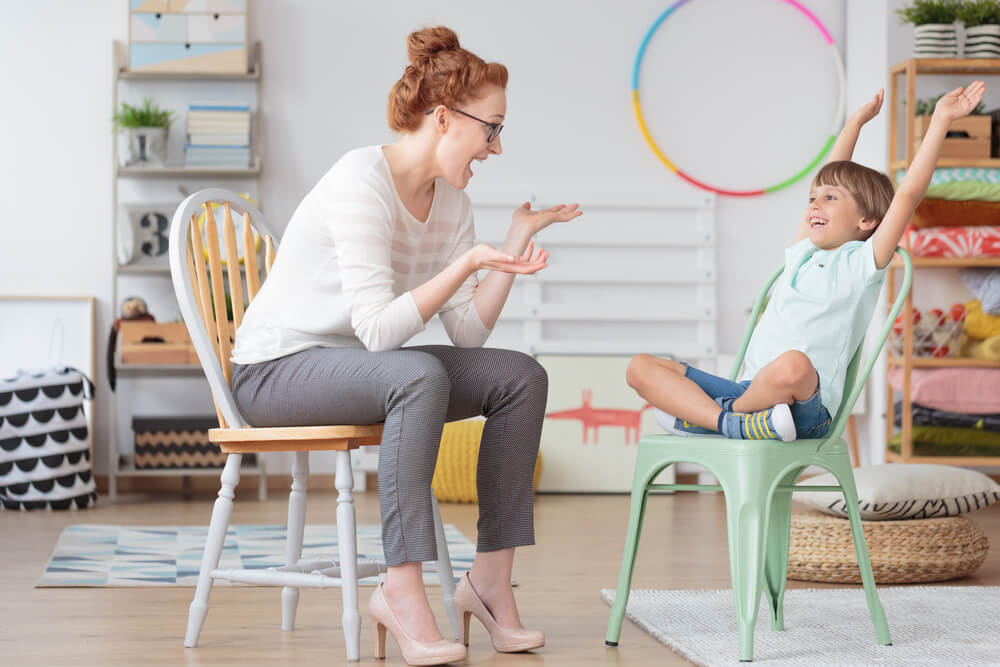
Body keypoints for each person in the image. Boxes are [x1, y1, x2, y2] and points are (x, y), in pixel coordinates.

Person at [229, 26, 581, 666]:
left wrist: (506, 246)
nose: (496, 147)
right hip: (276, 370)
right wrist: (466, 262)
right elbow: (378, 332)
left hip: (362, 368)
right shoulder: (360, 180)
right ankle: (401, 587)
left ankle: (489, 584)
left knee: (520, 375)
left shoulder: (453, 205)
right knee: (415, 373)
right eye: (491, 129)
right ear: (445, 119)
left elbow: (468, 333)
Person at [627, 81, 986, 443]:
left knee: (792, 363)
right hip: (748, 392)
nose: (814, 203)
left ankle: (713, 419)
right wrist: (854, 124)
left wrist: (941, 119)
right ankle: (731, 423)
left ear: (867, 221)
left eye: (830, 198)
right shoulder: (803, 252)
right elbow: (828, 174)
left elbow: (908, 195)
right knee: (640, 367)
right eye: (813, 197)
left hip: (804, 406)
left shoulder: (862, 263)